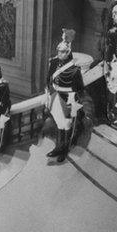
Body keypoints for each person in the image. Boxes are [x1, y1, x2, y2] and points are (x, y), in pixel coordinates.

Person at [45, 30, 85, 163]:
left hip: (69, 98)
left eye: (62, 52)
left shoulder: (74, 69)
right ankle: (58, 146)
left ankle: (64, 149)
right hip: (57, 96)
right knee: (59, 124)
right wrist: (48, 94)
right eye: (58, 51)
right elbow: (48, 80)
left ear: (68, 52)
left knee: (67, 125)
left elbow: (80, 88)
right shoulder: (54, 62)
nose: (59, 54)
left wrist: (75, 102)